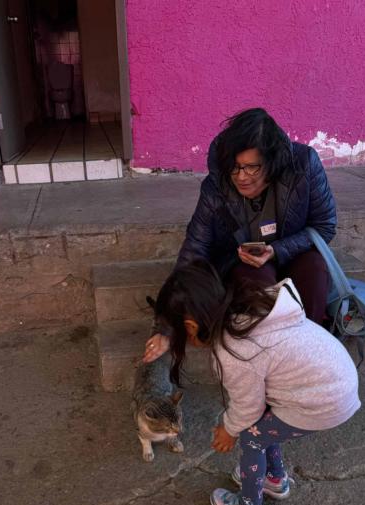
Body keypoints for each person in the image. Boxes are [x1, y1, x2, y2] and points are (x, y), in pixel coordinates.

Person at [153, 260, 360, 505]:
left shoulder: (235, 353)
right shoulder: (250, 306)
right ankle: (273, 478)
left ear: (191, 327)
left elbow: (247, 407)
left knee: (250, 436)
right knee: (263, 426)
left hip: (323, 401)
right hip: (335, 382)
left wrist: (228, 429)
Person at [144, 107, 336, 364]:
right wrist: (167, 328)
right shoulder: (216, 186)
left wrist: (278, 250)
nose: (241, 177)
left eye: (251, 168)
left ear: (272, 161)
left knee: (314, 268)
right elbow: (193, 253)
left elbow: (324, 226)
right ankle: (267, 363)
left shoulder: (304, 166)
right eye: (235, 168)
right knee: (252, 282)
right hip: (244, 264)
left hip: (294, 253)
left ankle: (312, 354)